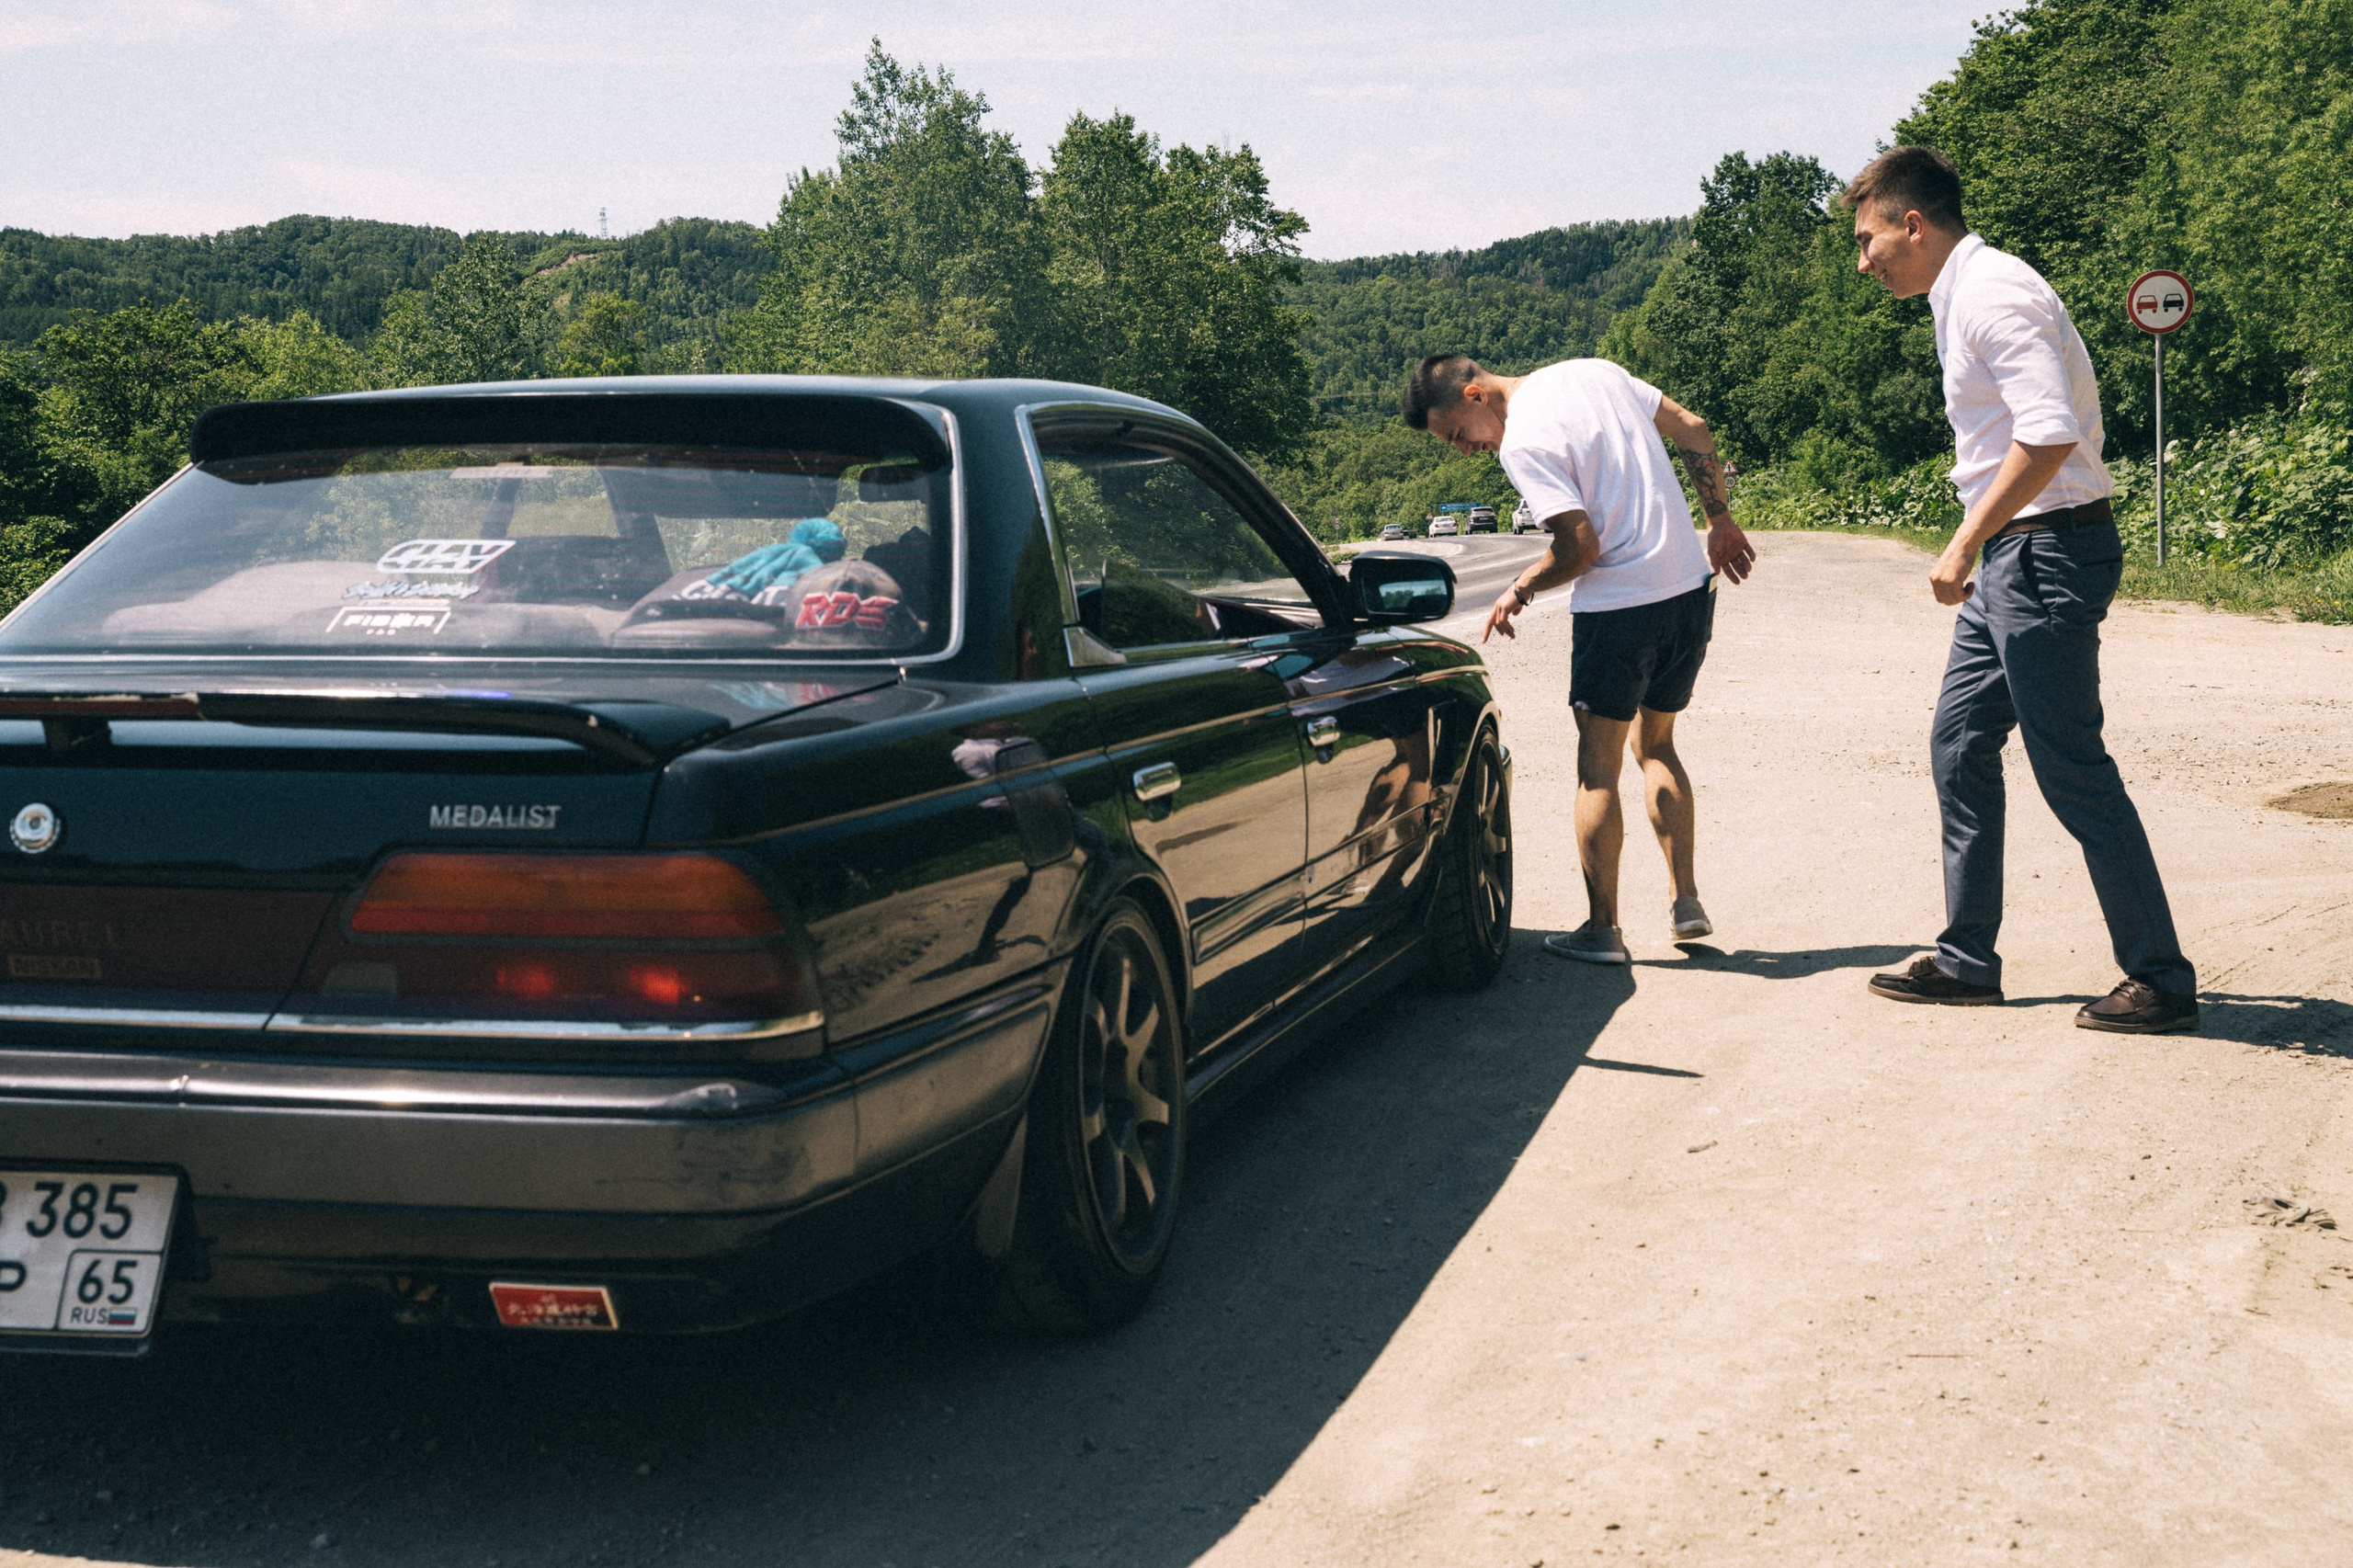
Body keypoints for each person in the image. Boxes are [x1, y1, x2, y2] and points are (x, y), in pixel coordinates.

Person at [1847, 145, 2198, 1032]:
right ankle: (1968, 959)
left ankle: (2160, 979)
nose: (1864, 261)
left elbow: (2044, 437)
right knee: (1959, 743)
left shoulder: (1995, 292)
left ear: (1912, 223)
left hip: (2043, 554)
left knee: (2072, 769)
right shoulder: (1956, 295)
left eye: (1869, 239)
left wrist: (1964, 541)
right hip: (2018, 555)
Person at [1404, 354, 1756, 963]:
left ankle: (1602, 931)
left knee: (1599, 768)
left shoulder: (1524, 443)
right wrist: (1719, 520)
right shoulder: (1595, 372)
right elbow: (1694, 429)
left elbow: (1580, 549)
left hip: (1620, 611)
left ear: (1475, 394)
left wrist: (1521, 587)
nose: (1464, 450)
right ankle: (1686, 901)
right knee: (1659, 747)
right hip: (1686, 594)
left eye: (1457, 434)